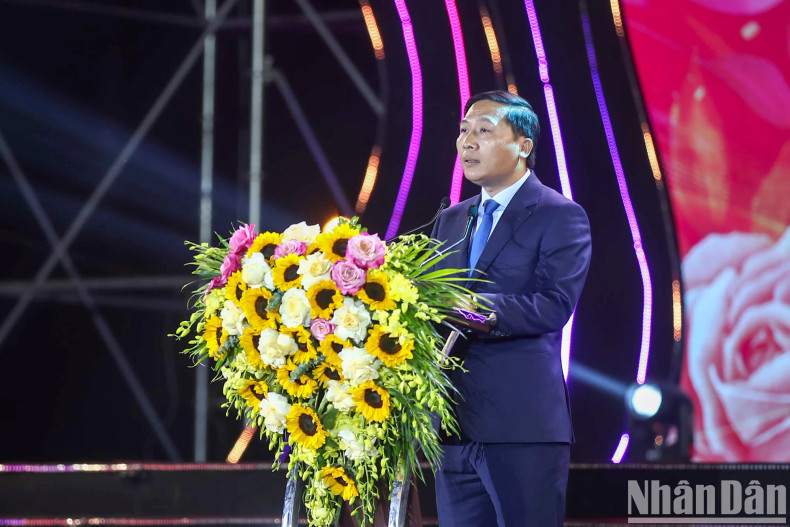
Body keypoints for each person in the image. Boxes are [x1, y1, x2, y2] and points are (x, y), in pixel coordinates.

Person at [430, 90, 592, 526]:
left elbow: (554, 304)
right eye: (464, 131)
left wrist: (475, 307)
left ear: (523, 146)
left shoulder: (559, 214)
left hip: (521, 426)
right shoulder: (451, 219)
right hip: (452, 426)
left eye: (484, 131)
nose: (467, 142)